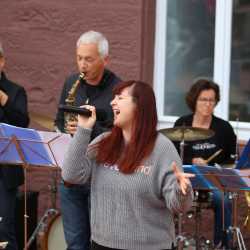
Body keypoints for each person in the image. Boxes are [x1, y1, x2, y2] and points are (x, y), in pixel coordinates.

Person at [61, 80, 194, 250]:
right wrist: (83, 130)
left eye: (120, 98)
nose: (112, 102)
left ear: (139, 106)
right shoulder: (103, 142)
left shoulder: (162, 148)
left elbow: (179, 206)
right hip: (102, 244)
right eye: (113, 98)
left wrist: (182, 191)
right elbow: (70, 175)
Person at [55, 30, 121, 250]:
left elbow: (119, 137)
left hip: (99, 178)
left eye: (89, 59)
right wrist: (64, 129)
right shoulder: (72, 82)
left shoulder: (118, 90)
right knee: (74, 244)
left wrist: (87, 130)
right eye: (79, 58)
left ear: (105, 59)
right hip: (72, 177)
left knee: (99, 243)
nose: (82, 65)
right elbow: (59, 120)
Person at [174, 78, 236, 248]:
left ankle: (221, 245)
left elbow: (231, 162)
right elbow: (172, 156)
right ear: (194, 100)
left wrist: (216, 168)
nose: (208, 104)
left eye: (212, 100)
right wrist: (191, 161)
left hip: (213, 183)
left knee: (223, 199)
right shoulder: (182, 124)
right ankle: (168, 242)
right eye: (203, 100)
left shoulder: (224, 128)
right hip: (185, 180)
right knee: (162, 193)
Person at [0, 42, 29, 250]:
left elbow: (21, 124)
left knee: (4, 229)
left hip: (4, 172)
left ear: (1, 62)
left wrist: (3, 99)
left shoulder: (16, 92)